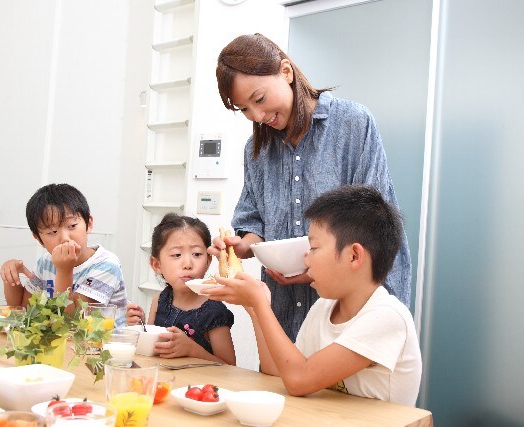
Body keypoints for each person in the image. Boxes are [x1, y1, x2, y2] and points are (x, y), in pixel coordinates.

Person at [209, 33, 412, 341]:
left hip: (350, 315)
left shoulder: (353, 124)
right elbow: (254, 227)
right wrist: (241, 246)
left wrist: (320, 268)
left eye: (260, 99)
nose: (258, 116)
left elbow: (376, 225)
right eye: (245, 109)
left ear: (286, 72)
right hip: (284, 317)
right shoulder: (257, 150)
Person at [206, 185, 422, 406]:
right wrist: (255, 309)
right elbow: (279, 370)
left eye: (314, 248)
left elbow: (299, 379)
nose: (306, 259)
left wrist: (260, 305)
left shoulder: (387, 317)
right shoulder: (324, 307)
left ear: (354, 256)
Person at [126, 213, 236, 365]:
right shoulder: (160, 300)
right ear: (157, 265)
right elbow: (153, 352)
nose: (188, 264)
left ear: (208, 261)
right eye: (177, 254)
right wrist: (139, 329)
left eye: (197, 254)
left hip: (199, 386)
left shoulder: (214, 311)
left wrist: (192, 350)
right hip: (164, 383)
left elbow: (229, 367)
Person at [0, 183, 127, 312]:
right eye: (52, 232)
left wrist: (64, 271)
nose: (65, 238)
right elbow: (24, 308)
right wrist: (10, 276)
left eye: (72, 226)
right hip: (58, 332)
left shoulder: (106, 265)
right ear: (38, 239)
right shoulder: (45, 263)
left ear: (88, 224)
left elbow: (74, 320)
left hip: (102, 332)